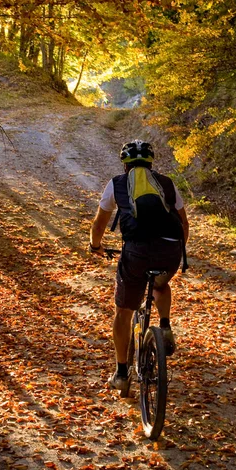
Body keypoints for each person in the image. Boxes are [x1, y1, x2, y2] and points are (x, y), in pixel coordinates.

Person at [89, 140, 189, 395]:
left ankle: (122, 374)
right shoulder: (166, 183)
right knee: (160, 283)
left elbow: (100, 224)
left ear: (125, 164)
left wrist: (95, 246)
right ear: (151, 162)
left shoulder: (117, 184)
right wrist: (177, 249)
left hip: (136, 253)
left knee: (123, 311)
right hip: (170, 251)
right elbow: (183, 221)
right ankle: (164, 327)